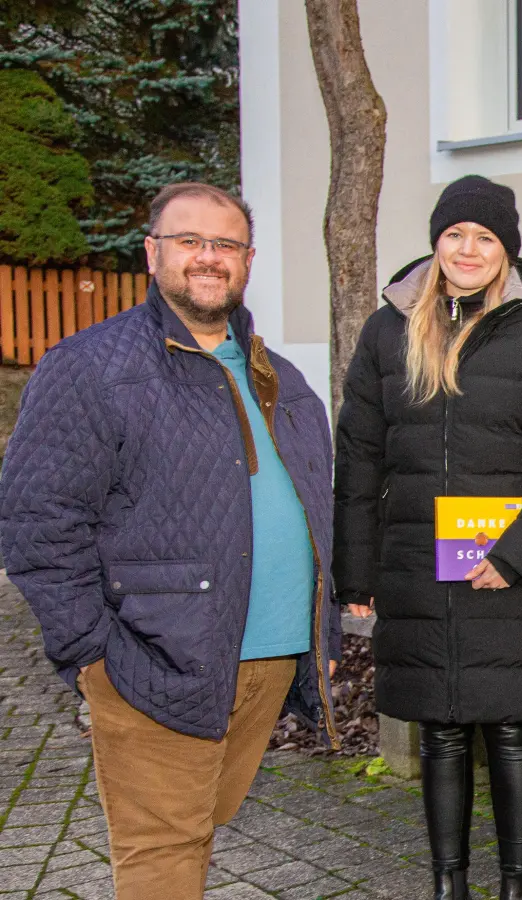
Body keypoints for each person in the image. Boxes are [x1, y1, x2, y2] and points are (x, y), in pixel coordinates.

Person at [0, 183, 339, 899]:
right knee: (163, 854)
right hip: (153, 659)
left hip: (267, 661)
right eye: (189, 241)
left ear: (247, 260)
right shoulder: (92, 369)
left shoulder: (281, 376)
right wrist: (92, 651)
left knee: (198, 824)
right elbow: (37, 520)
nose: (207, 258)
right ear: (152, 252)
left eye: (225, 245)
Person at [333, 175, 522, 900]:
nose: (468, 250)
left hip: (514, 566)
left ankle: (518, 887)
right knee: (442, 730)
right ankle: (448, 884)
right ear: (436, 241)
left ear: (506, 249)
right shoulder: (388, 329)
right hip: (420, 563)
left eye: (485, 238)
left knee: (513, 728)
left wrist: (516, 554)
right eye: (455, 235)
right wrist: (353, 577)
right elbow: (359, 456)